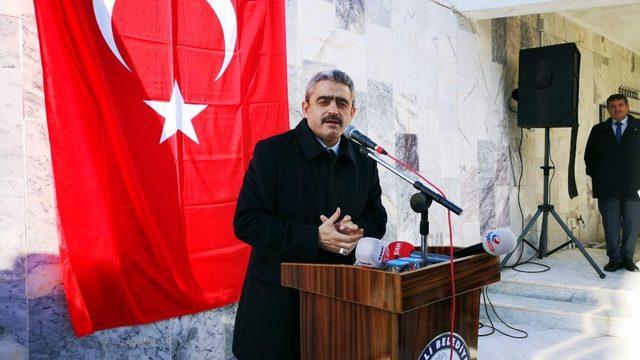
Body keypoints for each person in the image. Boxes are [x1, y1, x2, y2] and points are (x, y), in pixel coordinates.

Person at [232, 69, 387, 359]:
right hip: (276, 307)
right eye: (324, 100)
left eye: (342, 103)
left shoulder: (365, 163)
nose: (333, 109)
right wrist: (314, 237)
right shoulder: (273, 153)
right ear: (306, 107)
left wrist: (356, 231)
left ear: (352, 112)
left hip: (340, 304)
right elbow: (247, 222)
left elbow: (377, 219)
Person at [585, 93, 640, 272]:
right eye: (613, 106)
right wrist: (597, 176)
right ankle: (615, 259)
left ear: (627, 107)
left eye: (620, 105)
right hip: (608, 187)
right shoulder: (598, 129)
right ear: (608, 109)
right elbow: (589, 157)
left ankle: (628, 258)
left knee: (632, 224)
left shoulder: (638, 127)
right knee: (611, 225)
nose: (617, 109)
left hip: (634, 187)